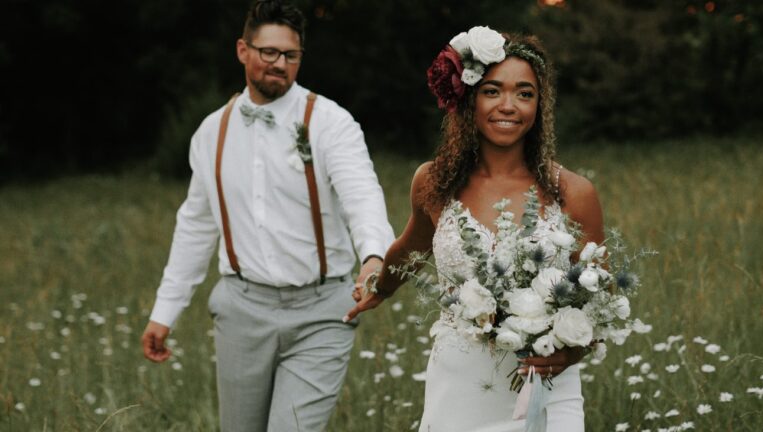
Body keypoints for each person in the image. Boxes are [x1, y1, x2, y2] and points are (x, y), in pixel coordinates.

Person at [140, 1, 395, 431]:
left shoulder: (330, 122)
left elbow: (363, 195)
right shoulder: (210, 133)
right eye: (268, 53)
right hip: (242, 310)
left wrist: (373, 255)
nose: (279, 64)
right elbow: (197, 227)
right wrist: (165, 312)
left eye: (290, 56)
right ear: (243, 50)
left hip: (321, 311)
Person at [344, 28, 604, 431]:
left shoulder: (572, 192)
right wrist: (378, 285)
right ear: (469, 98)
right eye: (492, 91)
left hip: (544, 384)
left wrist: (573, 351)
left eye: (524, 93)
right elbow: (412, 247)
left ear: (540, 105)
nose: (508, 105)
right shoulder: (434, 182)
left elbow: (599, 297)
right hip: (460, 383)